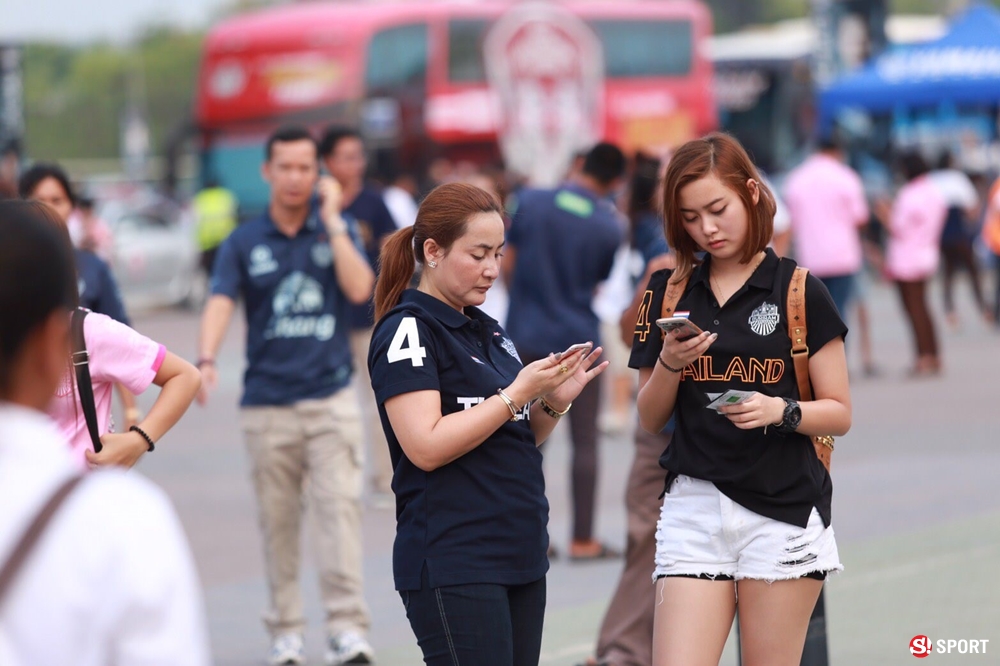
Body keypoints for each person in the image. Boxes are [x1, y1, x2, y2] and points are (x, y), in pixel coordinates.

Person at [368, 182, 608, 666]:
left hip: (519, 552)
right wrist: (516, 392)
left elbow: (513, 434)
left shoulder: (488, 329)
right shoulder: (409, 328)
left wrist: (551, 405)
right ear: (432, 252)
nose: (493, 269)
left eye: (498, 253)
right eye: (478, 254)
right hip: (456, 557)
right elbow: (426, 446)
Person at [634, 133, 851, 666]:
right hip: (693, 507)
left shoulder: (799, 290)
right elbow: (648, 415)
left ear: (751, 193)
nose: (705, 228)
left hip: (784, 512)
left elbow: (840, 412)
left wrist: (781, 411)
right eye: (688, 217)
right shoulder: (665, 291)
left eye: (716, 209)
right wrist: (670, 363)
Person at [0, 199, 210, 665]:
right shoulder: (129, 521)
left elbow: (185, 376)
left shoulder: (89, 332)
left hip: (79, 497)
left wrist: (140, 438)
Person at [197, 126, 376, 666]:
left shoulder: (336, 228)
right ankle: (287, 633)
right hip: (267, 406)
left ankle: (346, 629)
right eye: (286, 167)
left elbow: (360, 288)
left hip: (330, 401)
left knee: (339, 516)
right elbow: (221, 299)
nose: (296, 177)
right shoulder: (244, 242)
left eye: (306, 168)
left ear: (318, 174)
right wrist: (205, 358)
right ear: (267, 172)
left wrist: (333, 222)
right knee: (277, 524)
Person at [504, 142, 626, 560]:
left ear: (579, 165)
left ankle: (526, 536)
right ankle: (584, 539)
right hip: (580, 342)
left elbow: (507, 263)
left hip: (524, 335)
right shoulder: (609, 227)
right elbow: (596, 284)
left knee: (525, 436)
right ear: (614, 181)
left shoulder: (529, 201)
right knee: (585, 440)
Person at [580, 153, 677, 666]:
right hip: (659, 426)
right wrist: (653, 287)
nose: (665, 191)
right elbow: (627, 333)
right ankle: (622, 652)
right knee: (646, 532)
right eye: (661, 181)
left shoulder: (749, 259)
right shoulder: (650, 245)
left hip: (728, 428)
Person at [20, 163, 148, 432]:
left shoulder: (93, 268)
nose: (48, 208)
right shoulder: (12, 265)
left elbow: (119, 336)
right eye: (39, 200)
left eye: (57, 200)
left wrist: (132, 411)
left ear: (71, 206)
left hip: (82, 402)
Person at [319, 126, 399, 504]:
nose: (356, 164)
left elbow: (391, 255)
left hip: (369, 317)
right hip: (325, 320)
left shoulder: (373, 203)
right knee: (328, 402)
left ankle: (385, 480)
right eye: (347, 156)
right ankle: (327, 481)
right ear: (328, 162)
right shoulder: (315, 205)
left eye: (359, 156)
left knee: (380, 399)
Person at [783, 138, 870, 317]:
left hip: (810, 258)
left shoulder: (796, 178)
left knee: (815, 315)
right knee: (839, 312)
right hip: (843, 257)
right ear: (837, 152)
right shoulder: (846, 176)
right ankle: (841, 345)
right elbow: (861, 219)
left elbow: (789, 223)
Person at [884, 151, 948, 376]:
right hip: (927, 253)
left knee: (914, 309)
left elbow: (898, 227)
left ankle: (923, 356)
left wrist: (884, 213)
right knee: (923, 307)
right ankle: (933, 354)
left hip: (907, 257)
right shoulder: (933, 191)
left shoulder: (909, 194)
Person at [928, 152, 988, 328]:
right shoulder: (957, 179)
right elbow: (972, 207)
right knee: (973, 272)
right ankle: (984, 309)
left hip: (941, 234)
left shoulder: (932, 180)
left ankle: (950, 313)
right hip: (960, 233)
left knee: (948, 274)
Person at [193, 176, 239, 276]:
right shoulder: (225, 195)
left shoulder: (201, 197)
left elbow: (194, 218)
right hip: (224, 237)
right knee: (225, 266)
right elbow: (234, 214)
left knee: (208, 268)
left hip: (206, 239)